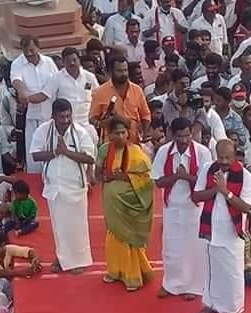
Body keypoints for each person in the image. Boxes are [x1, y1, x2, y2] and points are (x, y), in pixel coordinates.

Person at [31, 98, 95, 274]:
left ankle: (78, 262)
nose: (66, 120)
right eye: (62, 117)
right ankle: (62, 259)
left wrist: (66, 152)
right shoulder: (43, 130)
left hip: (75, 187)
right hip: (54, 187)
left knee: (78, 226)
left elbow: (90, 158)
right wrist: (54, 152)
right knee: (59, 227)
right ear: (53, 116)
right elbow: (35, 155)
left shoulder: (80, 132)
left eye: (68, 116)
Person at [151, 117, 212, 300]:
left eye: (188, 136)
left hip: (195, 207)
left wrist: (186, 177)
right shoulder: (164, 151)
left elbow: (207, 182)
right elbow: (158, 181)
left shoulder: (202, 152)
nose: (185, 140)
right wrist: (176, 177)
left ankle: (194, 287)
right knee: (172, 247)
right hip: (172, 207)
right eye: (180, 136)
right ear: (172, 134)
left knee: (195, 248)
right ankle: (171, 284)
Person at [193, 139, 251, 313]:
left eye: (228, 158)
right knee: (211, 271)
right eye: (220, 157)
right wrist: (216, 189)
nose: (224, 161)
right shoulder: (208, 169)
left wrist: (225, 191)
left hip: (232, 233)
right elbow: (196, 196)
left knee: (232, 273)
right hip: (210, 229)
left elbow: (246, 207)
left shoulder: (245, 176)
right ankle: (210, 304)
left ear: (235, 156)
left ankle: (233, 310)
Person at [96, 116, 155, 291]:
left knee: (131, 238)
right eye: (117, 133)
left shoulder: (136, 151)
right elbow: (97, 174)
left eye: (123, 132)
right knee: (114, 234)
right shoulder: (104, 150)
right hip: (112, 201)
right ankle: (115, 271)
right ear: (110, 135)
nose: (121, 136)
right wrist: (106, 178)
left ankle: (133, 275)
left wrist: (122, 176)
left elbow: (146, 177)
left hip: (133, 200)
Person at [11, 36, 58, 173]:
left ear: (38, 47)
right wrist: (21, 93)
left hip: (50, 114)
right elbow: (16, 80)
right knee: (33, 151)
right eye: (26, 51)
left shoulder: (49, 62)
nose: (29, 53)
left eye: (31, 50)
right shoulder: (17, 63)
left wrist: (30, 98)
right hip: (31, 116)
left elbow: (54, 84)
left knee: (51, 149)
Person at [90, 55, 151, 145]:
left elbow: (145, 115)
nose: (124, 74)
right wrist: (102, 124)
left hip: (134, 142)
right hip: (111, 143)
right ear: (111, 71)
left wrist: (145, 132)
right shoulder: (100, 92)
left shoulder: (137, 90)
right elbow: (92, 118)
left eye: (125, 70)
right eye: (119, 71)